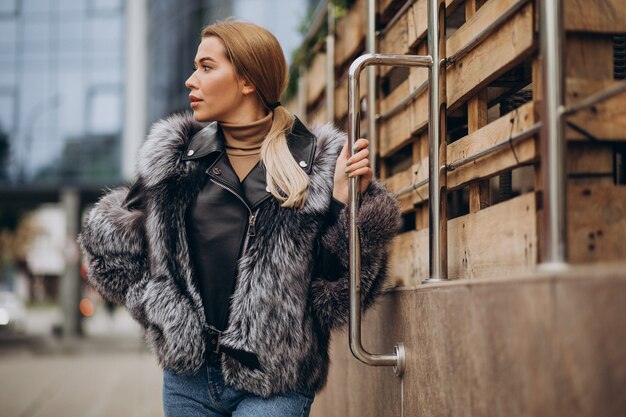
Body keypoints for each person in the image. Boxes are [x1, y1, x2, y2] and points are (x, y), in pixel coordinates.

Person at [77, 19, 400, 417]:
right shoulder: (175, 160)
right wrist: (161, 305)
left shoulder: (318, 162)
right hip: (188, 380)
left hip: (275, 381)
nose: (190, 80)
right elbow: (107, 251)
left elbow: (339, 300)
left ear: (247, 80)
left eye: (207, 67)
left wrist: (341, 206)